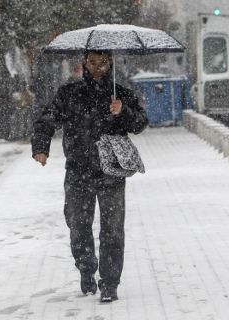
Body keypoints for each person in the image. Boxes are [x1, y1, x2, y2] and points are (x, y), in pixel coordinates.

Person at [31, 50, 149, 303]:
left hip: (111, 172)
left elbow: (140, 123)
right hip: (78, 171)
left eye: (103, 63)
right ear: (84, 62)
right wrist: (40, 146)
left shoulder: (121, 94)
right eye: (93, 62)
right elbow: (47, 119)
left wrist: (123, 111)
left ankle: (110, 283)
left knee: (113, 230)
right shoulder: (69, 93)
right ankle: (86, 268)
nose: (98, 67)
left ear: (111, 63)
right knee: (78, 225)